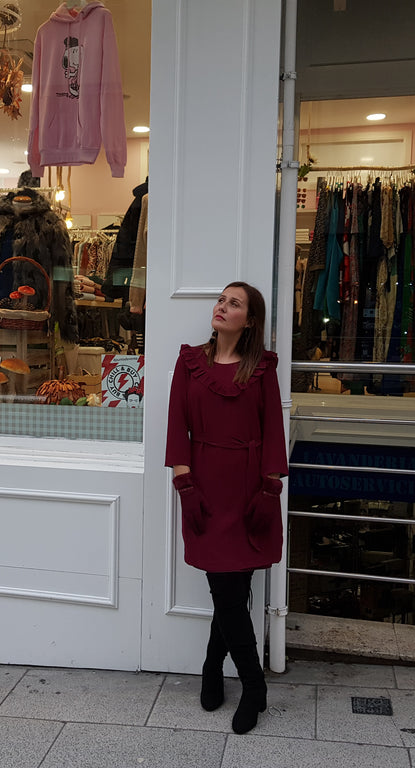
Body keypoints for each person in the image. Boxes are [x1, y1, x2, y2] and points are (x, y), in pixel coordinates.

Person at [165, 280, 288, 735]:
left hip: (251, 490)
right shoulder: (190, 363)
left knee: (232, 594)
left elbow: (273, 430)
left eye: (233, 303)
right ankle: (254, 687)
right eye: (221, 300)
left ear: (249, 320)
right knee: (228, 593)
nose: (221, 307)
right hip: (205, 487)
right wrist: (185, 486)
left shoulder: (260, 369)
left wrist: (269, 491)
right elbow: (177, 424)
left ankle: (214, 668)